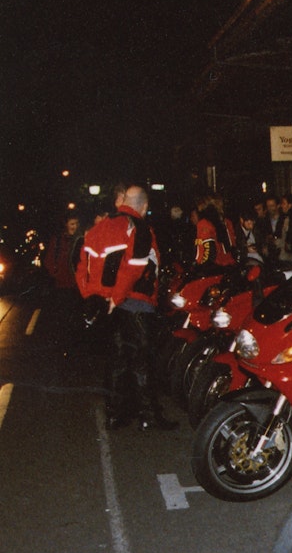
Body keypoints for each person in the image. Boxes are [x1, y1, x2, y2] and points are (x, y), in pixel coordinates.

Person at [75, 184, 176, 431]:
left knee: (118, 360)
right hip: (135, 302)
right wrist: (117, 298)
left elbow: (81, 267)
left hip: (109, 306)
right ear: (144, 206)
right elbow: (134, 267)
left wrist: (95, 298)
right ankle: (148, 417)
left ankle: (115, 415)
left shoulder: (98, 228)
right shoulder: (139, 227)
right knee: (143, 360)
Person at [193, 193, 236, 271]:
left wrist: (197, 266)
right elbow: (232, 245)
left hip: (215, 268)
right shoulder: (227, 222)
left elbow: (206, 251)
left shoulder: (203, 224)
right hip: (230, 265)